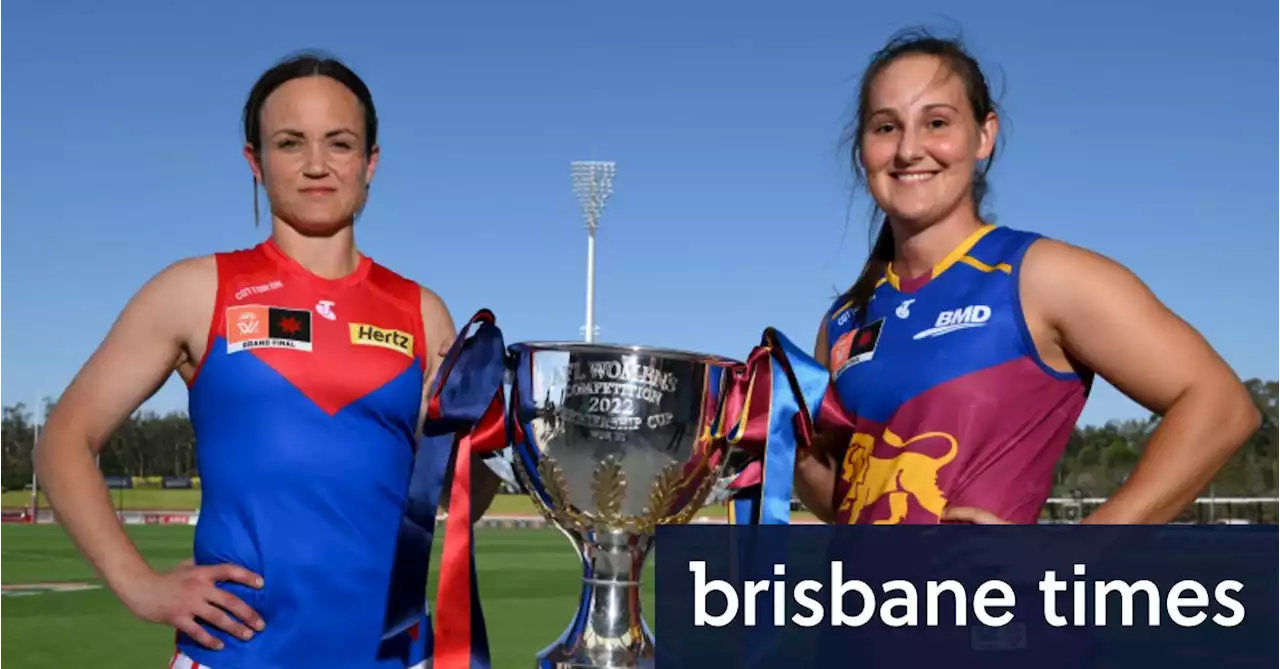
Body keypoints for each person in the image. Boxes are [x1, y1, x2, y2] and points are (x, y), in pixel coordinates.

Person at [33, 52, 502, 668]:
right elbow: (63, 440)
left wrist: (500, 429)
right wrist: (142, 586)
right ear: (255, 161)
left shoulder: (422, 311)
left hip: (392, 653)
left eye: (339, 143)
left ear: (370, 162)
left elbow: (456, 493)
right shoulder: (196, 291)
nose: (315, 165)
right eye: (289, 143)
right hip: (237, 654)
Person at [793, 30, 1259, 526]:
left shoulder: (1041, 277)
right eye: (886, 127)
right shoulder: (844, 320)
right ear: (863, 146)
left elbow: (1222, 406)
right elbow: (852, 501)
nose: (909, 149)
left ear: (984, 134)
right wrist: (781, 444)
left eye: (936, 122)